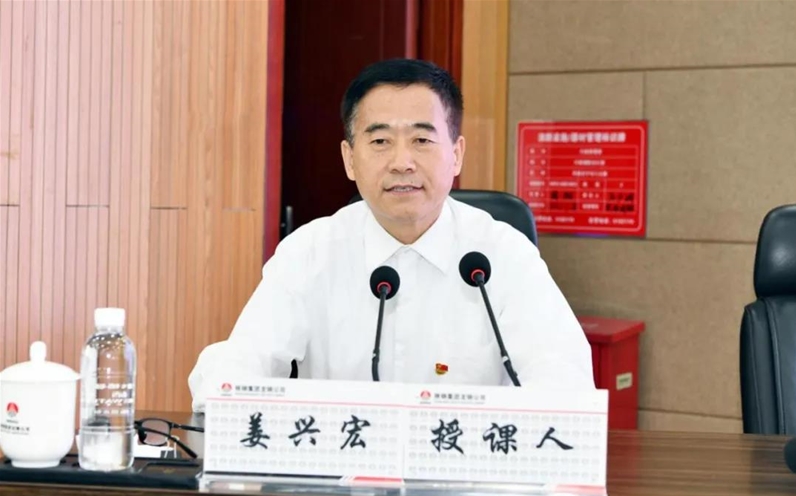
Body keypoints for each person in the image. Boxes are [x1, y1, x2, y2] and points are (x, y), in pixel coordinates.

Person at [188, 58, 594, 412]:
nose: (402, 162)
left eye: (422, 140)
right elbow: (242, 363)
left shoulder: (503, 255)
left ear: (456, 155)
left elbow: (564, 382)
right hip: (342, 472)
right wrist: (228, 387)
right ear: (350, 159)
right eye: (380, 141)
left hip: (467, 473)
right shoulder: (309, 252)